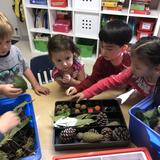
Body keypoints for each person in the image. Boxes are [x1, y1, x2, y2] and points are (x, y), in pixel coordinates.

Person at [71, 36, 160, 102]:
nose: (131, 68)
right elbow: (108, 82)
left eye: (137, 67)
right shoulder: (131, 72)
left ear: (157, 69)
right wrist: (85, 93)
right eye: (132, 63)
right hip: (140, 99)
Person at [66, 19, 132, 96]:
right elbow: (92, 79)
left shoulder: (132, 61)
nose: (103, 52)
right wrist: (77, 88)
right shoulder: (101, 61)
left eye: (109, 49)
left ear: (123, 48)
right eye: (102, 46)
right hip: (106, 93)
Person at [0, 12, 49, 96]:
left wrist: (36, 85)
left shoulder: (15, 51)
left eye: (8, 41)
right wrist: (1, 89)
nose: (4, 47)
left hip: (20, 94)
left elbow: (25, 68)